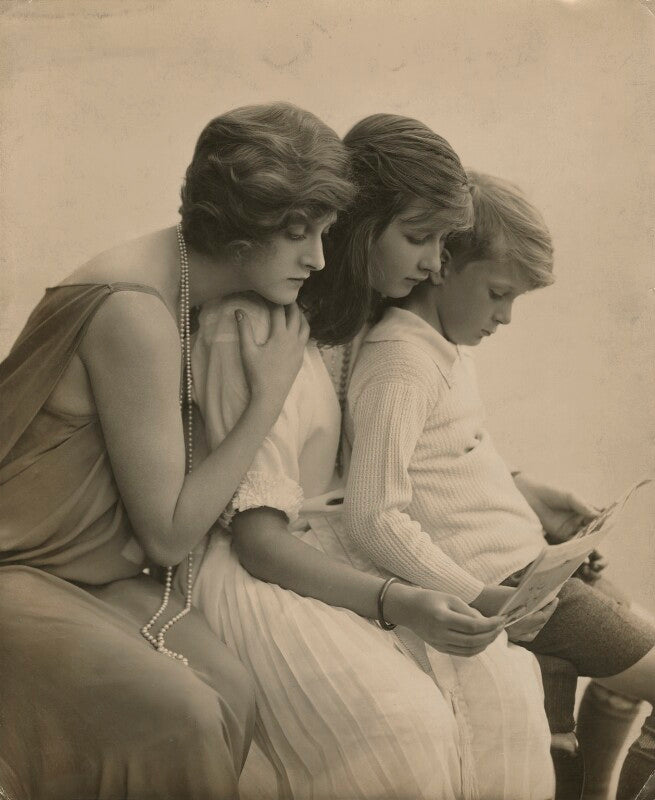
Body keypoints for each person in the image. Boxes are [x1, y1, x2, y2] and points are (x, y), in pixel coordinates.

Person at [191, 115, 555, 799]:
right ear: (360, 226)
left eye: (443, 243)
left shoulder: (360, 325)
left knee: (501, 691)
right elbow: (258, 541)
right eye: (419, 238)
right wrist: (400, 601)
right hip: (265, 568)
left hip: (339, 549)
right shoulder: (249, 327)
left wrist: (520, 493)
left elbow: (415, 456)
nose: (436, 264)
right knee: (407, 726)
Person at [0, 102, 355, 799]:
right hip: (18, 572)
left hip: (88, 576)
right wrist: (266, 399)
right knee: (184, 717)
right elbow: (166, 535)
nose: (317, 259)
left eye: (323, 234)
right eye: (298, 235)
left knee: (235, 689)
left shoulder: (188, 286)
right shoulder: (133, 309)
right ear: (239, 230)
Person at [343, 170, 655, 800]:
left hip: (534, 568)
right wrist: (477, 595)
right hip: (507, 586)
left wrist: (535, 502)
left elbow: (452, 463)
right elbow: (373, 514)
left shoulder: (443, 348)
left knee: (631, 650)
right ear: (442, 264)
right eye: (497, 294)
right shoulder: (401, 363)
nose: (506, 317)